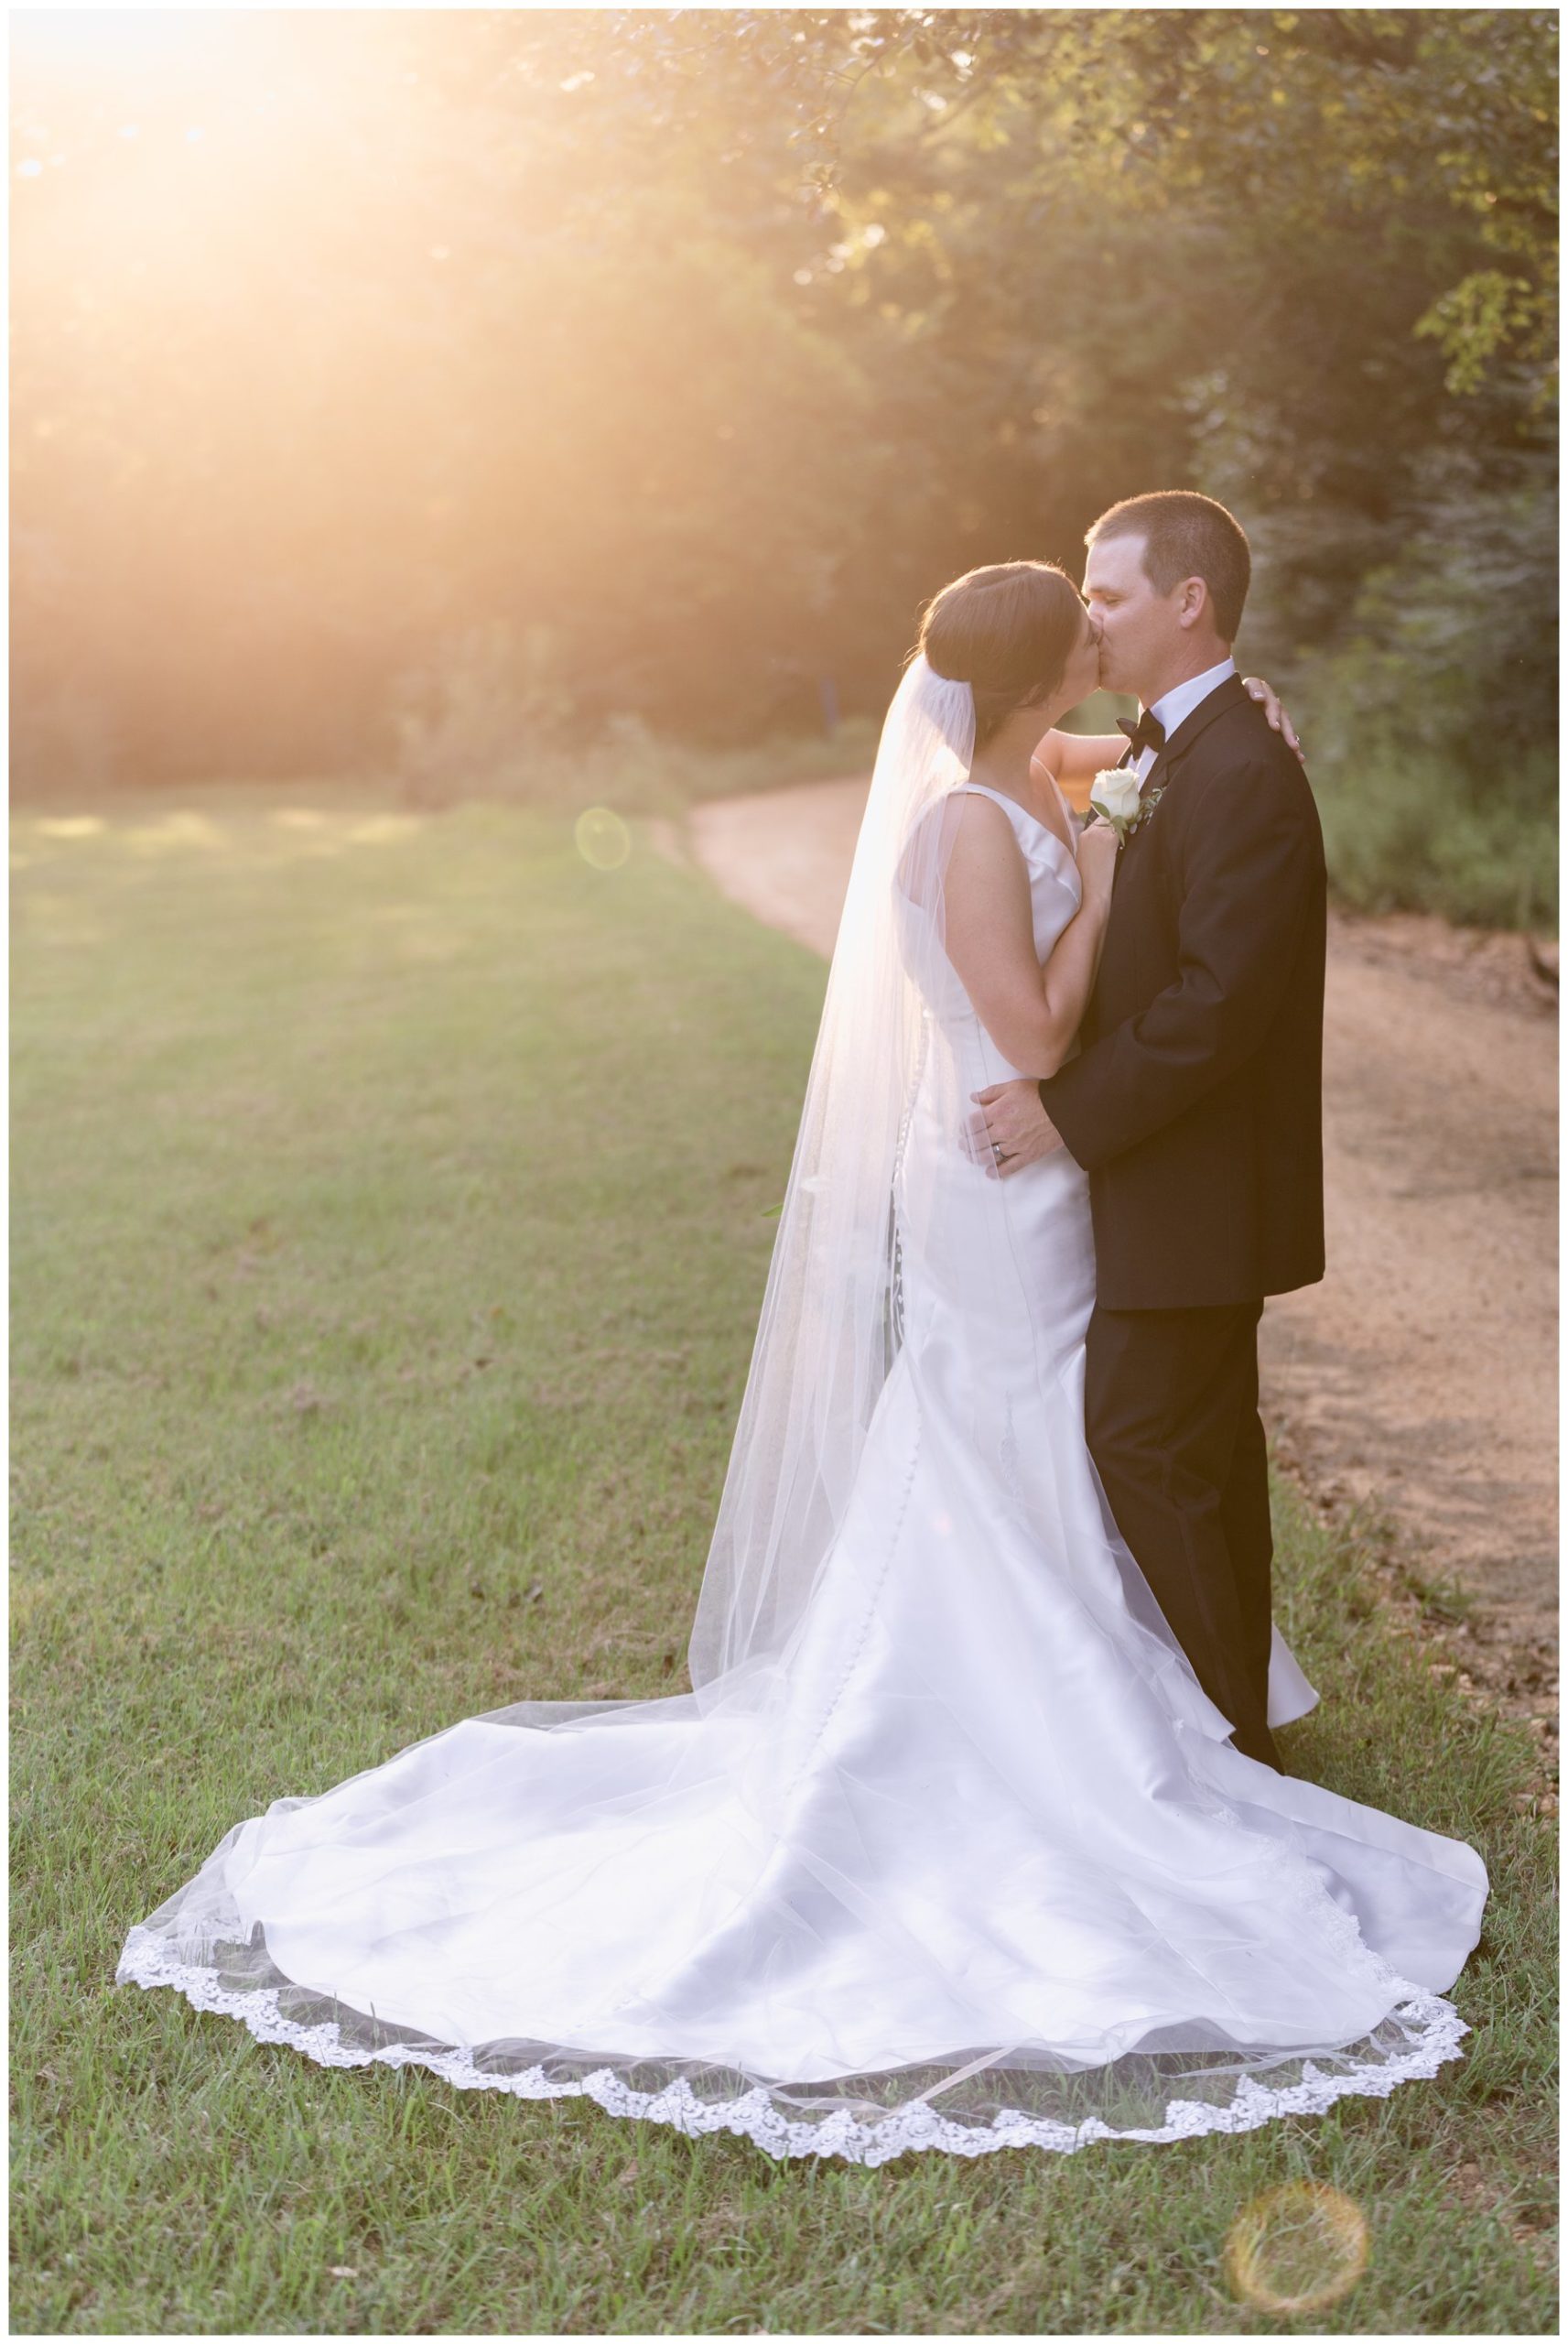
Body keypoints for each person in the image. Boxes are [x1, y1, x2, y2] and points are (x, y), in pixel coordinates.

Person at [116, 559, 1487, 2168]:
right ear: (1049, 667)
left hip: (1048, 1187)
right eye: (1086, 624)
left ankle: (1133, 1687)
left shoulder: (1029, 770)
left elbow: (1119, 770)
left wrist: (1219, 727)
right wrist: (1112, 876)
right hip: (1001, 1175)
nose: (1103, 641)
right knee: (1012, 1425)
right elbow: (1037, 1041)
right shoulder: (967, 827)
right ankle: (1039, 1721)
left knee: (1063, 1430)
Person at [974, 493, 1325, 1771]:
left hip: (1199, 1181)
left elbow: (1219, 1006)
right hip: (1167, 1179)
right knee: (1204, 1452)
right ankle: (1239, 1725)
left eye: (1108, 596)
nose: (1088, 617)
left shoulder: (1237, 765)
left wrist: (1064, 1113)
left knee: (1140, 1438)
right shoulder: (1168, 743)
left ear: (1188, 603)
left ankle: (1228, 1742)